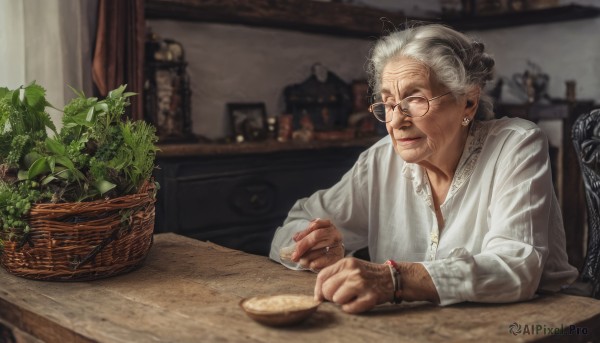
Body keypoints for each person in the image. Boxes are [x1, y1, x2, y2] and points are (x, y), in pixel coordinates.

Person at [269, 24, 578, 314]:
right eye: (388, 104)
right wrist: (314, 247)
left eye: (415, 99)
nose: (396, 121)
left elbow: (516, 267)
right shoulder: (380, 160)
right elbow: (293, 226)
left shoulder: (516, 145)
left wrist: (395, 279)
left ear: (468, 101)